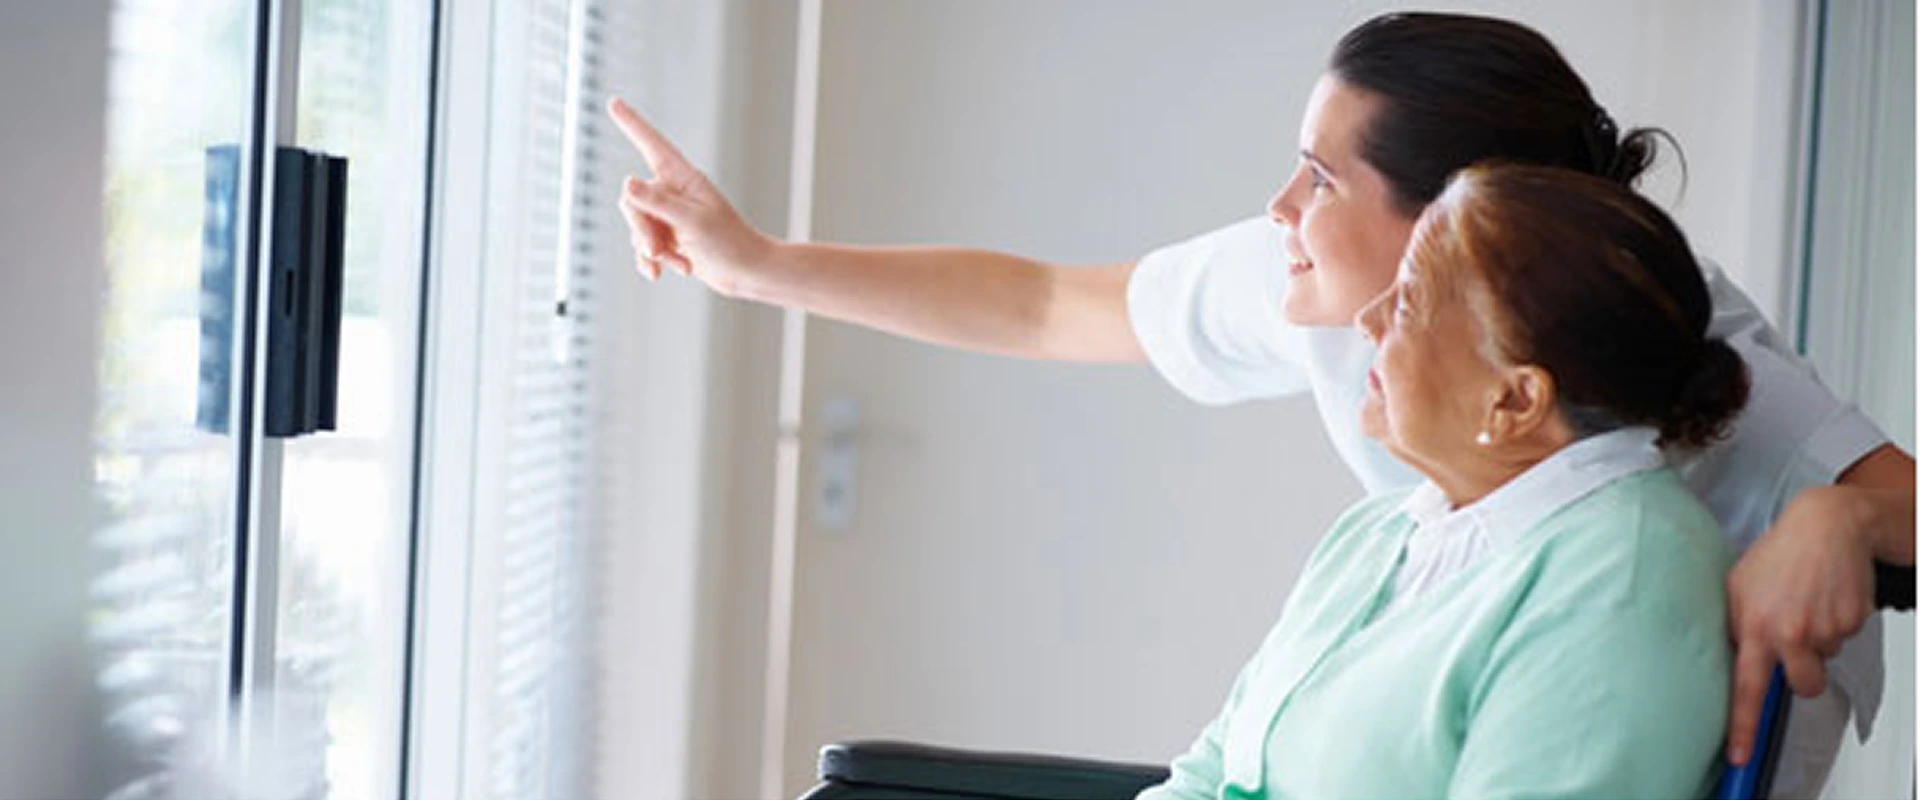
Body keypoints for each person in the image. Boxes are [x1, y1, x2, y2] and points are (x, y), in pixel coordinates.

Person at [606, 11, 1915, 794]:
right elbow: (1048, 305)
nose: (1280, 211)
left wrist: (1836, 523)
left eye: (1317, 178)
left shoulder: (1655, 348)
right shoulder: (1355, 411)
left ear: (1465, 220)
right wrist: (755, 264)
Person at [1142, 161, 1744, 800]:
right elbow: (1211, 773)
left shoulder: (1627, 574)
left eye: (1407, 303)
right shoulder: (1379, 532)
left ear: (1513, 400)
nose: (1367, 320)